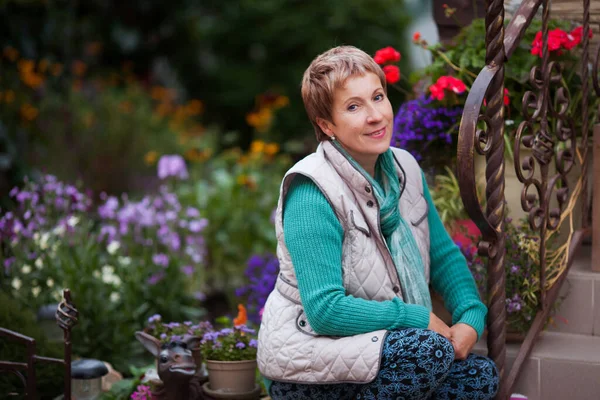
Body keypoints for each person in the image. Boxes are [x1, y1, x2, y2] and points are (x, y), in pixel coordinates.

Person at [257, 45, 498, 400]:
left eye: (378, 97)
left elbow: (444, 255)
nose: (376, 115)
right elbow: (324, 311)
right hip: (311, 363)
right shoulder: (312, 190)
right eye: (354, 106)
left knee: (480, 377)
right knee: (428, 353)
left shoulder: (405, 169)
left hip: (381, 351)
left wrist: (469, 318)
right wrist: (416, 318)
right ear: (327, 125)